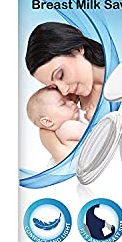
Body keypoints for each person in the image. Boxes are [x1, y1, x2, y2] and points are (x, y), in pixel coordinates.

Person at [25, 22, 106, 162]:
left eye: (61, 75)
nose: (63, 90)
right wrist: (58, 150)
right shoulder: (71, 96)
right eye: (53, 86)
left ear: (78, 49)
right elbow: (45, 122)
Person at [26, 87, 87, 163]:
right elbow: (94, 132)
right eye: (63, 104)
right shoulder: (66, 128)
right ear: (48, 121)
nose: (71, 102)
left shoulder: (74, 118)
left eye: (68, 99)